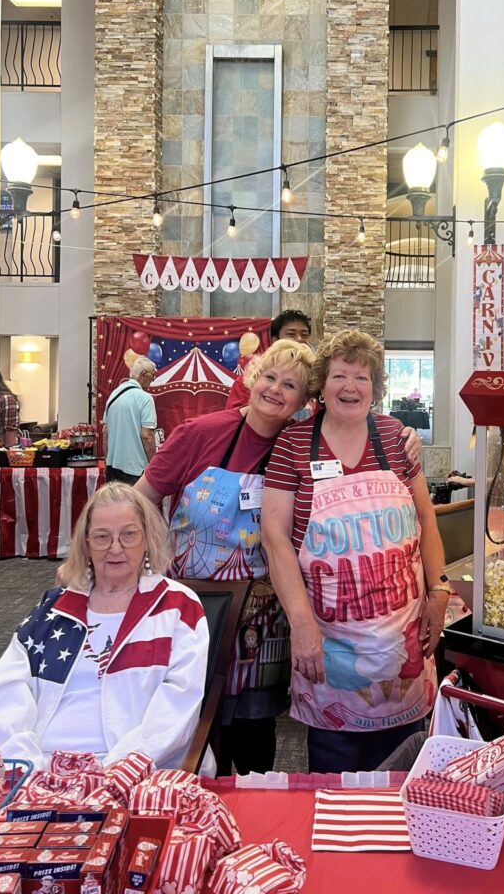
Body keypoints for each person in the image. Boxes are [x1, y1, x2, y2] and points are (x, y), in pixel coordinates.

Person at [261, 329, 450, 773]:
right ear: (321, 388)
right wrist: (301, 623)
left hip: (402, 643)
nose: (351, 387)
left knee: (405, 774)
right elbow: (275, 539)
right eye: (340, 376)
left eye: (362, 378)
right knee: (334, 783)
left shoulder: (396, 439)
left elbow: (426, 519)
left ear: (376, 387)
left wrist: (438, 593)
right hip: (329, 649)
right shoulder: (293, 444)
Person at [134, 340, 317, 776]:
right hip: (191, 611)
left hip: (262, 617)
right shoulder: (199, 433)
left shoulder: (298, 451)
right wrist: (146, 570)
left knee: (255, 742)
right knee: (189, 732)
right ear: (253, 378)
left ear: (303, 402)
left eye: (289, 385)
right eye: (269, 377)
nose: (274, 389)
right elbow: (140, 501)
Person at [0, 483, 209, 769]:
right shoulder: (54, 608)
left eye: (128, 535)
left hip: (133, 769)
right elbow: (3, 690)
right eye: (102, 537)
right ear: (86, 545)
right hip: (41, 765)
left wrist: (112, 771)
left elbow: (178, 706)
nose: (115, 548)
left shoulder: (177, 606)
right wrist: (24, 764)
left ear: (147, 540)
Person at [225, 309, 312, 410]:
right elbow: (234, 418)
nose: (299, 339)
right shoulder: (249, 379)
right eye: (291, 334)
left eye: (304, 335)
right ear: (275, 340)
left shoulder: (317, 379)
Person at [102, 356, 158, 484]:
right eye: (152, 377)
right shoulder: (145, 398)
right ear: (144, 374)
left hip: (112, 468)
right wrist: (155, 465)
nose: (152, 381)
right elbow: (147, 436)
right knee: (136, 504)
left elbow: (105, 432)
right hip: (135, 470)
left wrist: (107, 461)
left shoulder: (113, 395)